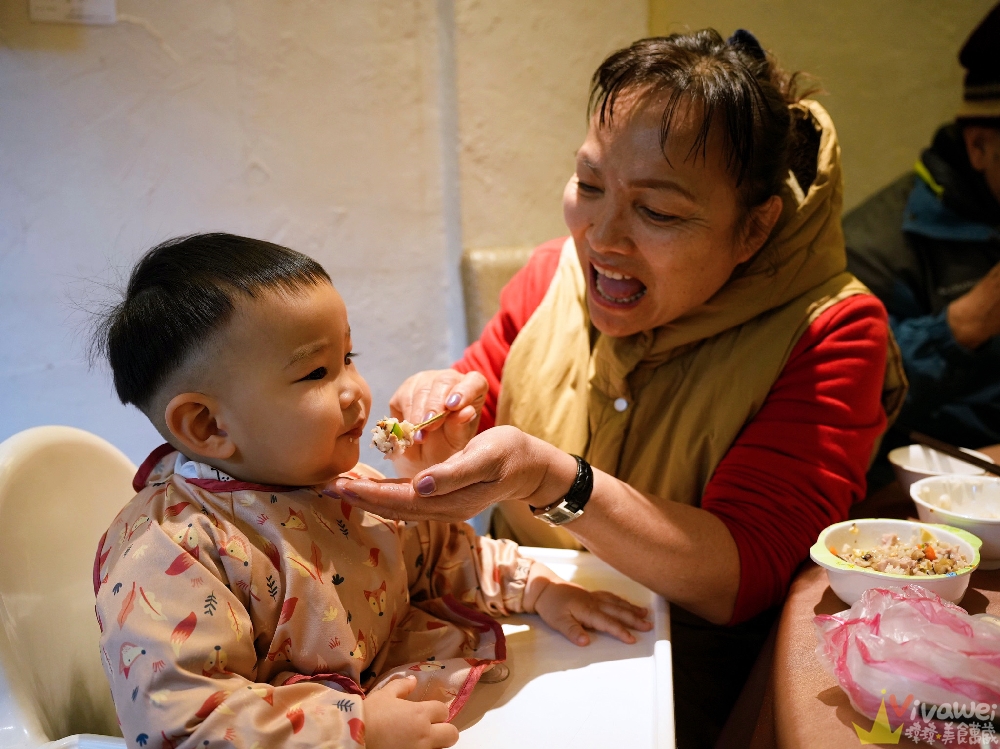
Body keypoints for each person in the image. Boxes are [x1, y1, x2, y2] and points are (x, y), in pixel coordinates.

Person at [327, 30, 906, 747]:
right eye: (590, 184)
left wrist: (553, 479)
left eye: (657, 211)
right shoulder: (550, 276)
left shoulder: (834, 331)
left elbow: (742, 573)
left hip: (687, 689)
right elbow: (470, 425)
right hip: (524, 639)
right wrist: (433, 438)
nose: (601, 236)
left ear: (754, 228)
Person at [92, 234, 650, 749]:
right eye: (316, 373)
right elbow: (187, 722)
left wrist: (540, 591)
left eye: (348, 359)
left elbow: (438, 555)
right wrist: (356, 731)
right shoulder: (167, 553)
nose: (355, 391)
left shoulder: (343, 489)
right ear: (208, 426)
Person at [845, 2, 1000, 490]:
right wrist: (963, 326)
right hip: (926, 505)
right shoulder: (874, 246)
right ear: (978, 146)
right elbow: (844, 401)